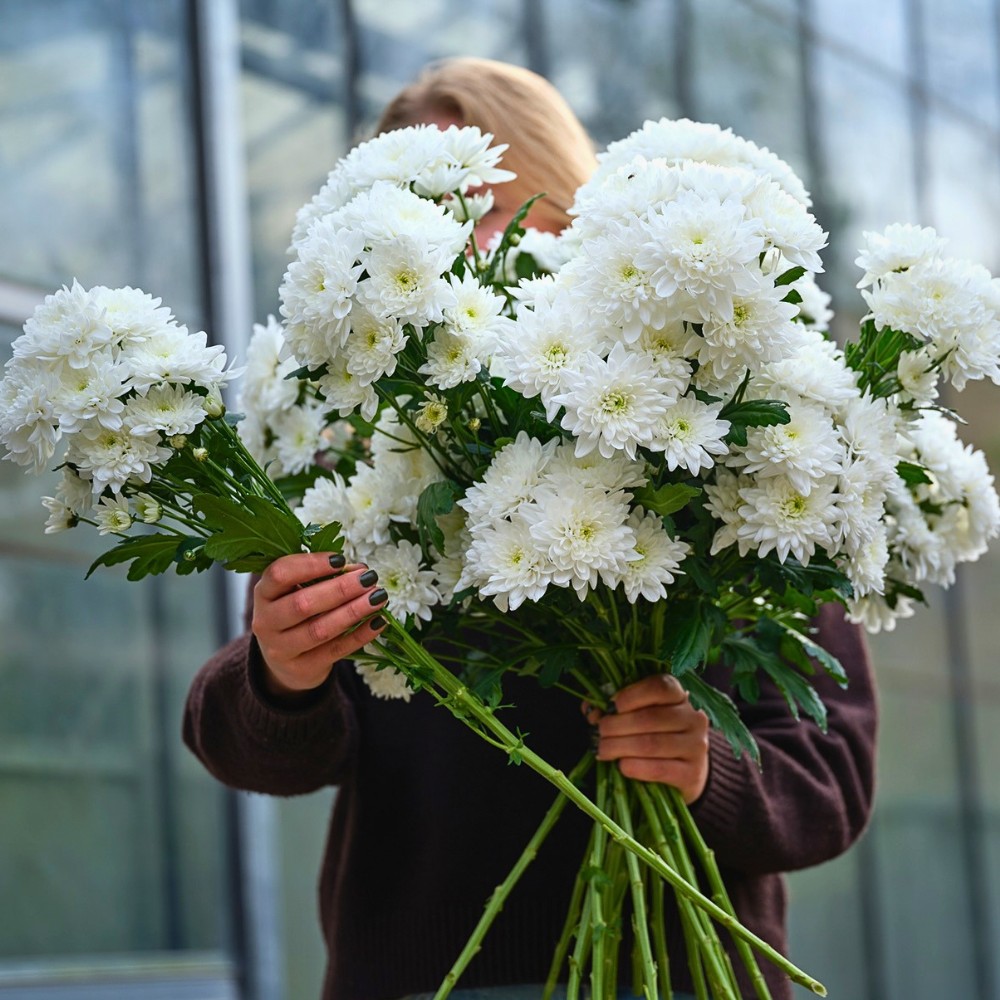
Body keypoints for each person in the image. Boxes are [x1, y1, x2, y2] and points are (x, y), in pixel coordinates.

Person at [183, 57, 877, 1000]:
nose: (472, 249)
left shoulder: (740, 433)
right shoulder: (353, 448)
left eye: (503, 210)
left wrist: (704, 769)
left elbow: (834, 775)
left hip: (678, 974)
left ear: (582, 217)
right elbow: (246, 747)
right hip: (428, 976)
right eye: (433, 224)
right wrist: (280, 674)